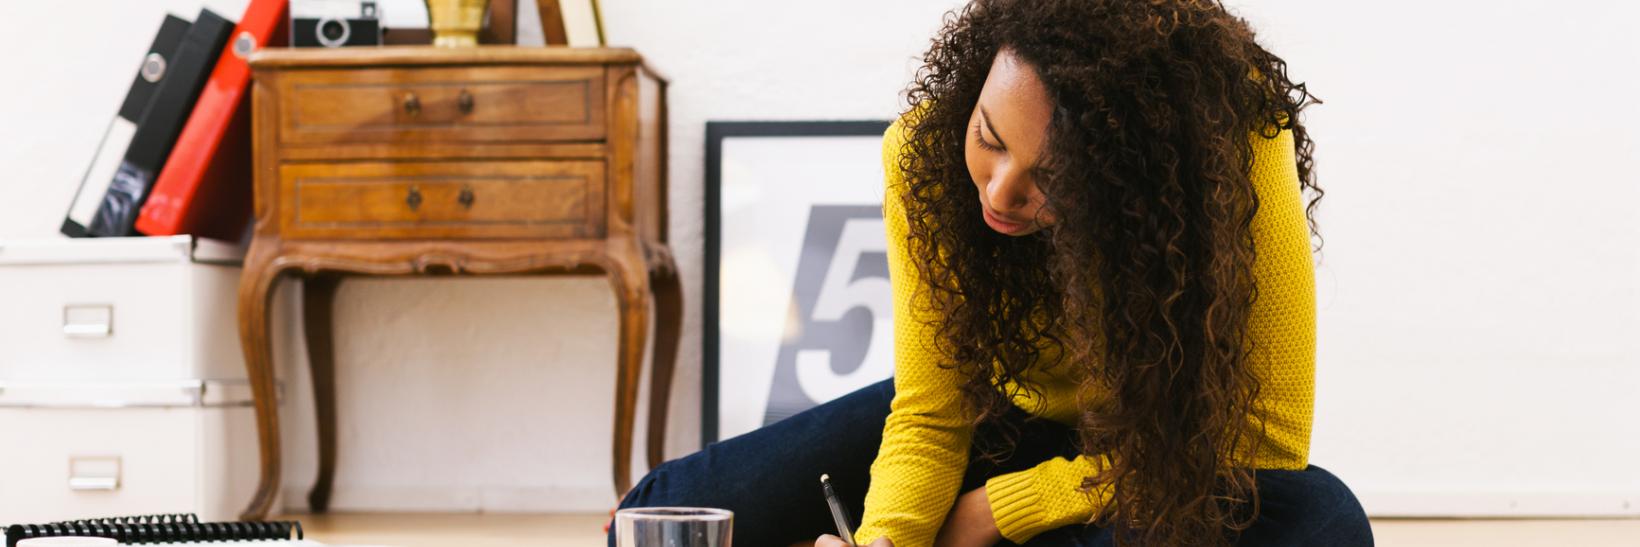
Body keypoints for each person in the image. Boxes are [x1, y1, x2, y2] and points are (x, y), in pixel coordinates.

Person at [612, 0, 1372, 545]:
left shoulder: (1234, 143)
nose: (999, 191)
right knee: (670, 512)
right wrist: (887, 540)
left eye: (1056, 177)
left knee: (1318, 517)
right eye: (989, 137)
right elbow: (933, 411)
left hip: (1168, 456)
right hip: (999, 418)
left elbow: (1266, 446)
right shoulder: (923, 152)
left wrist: (998, 510)